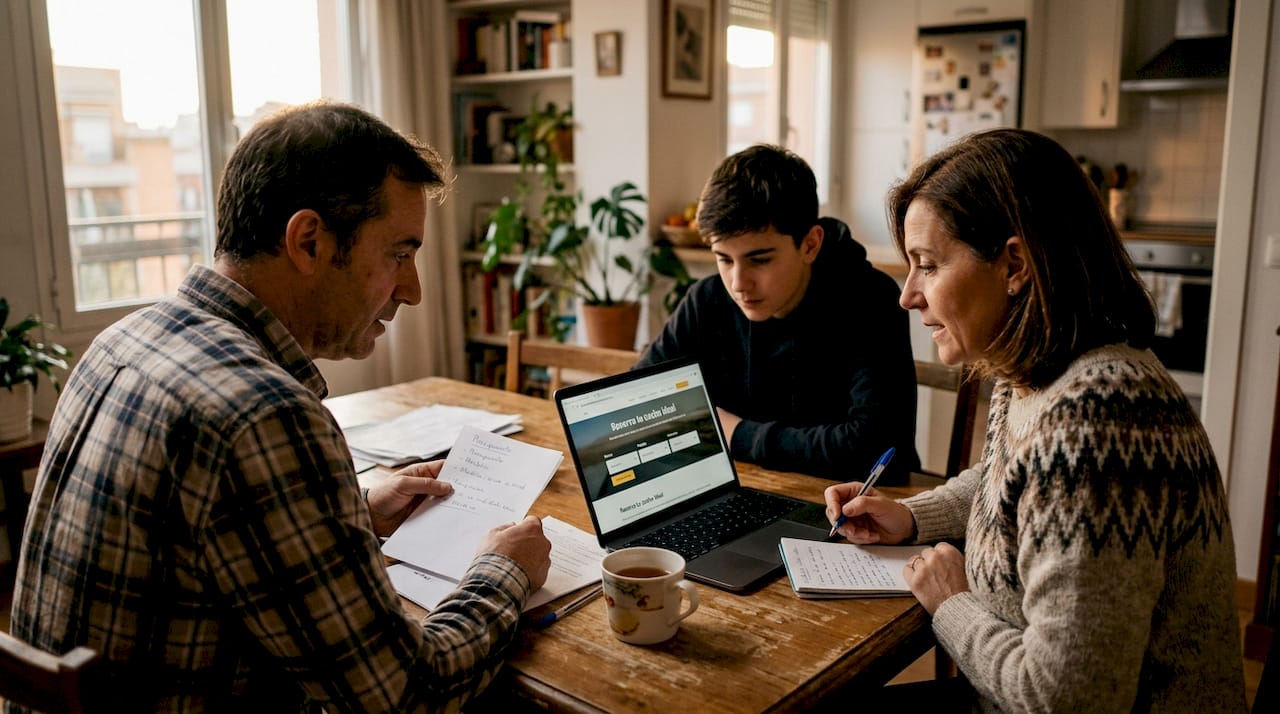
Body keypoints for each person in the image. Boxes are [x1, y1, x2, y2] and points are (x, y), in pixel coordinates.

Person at [8, 102, 552, 712]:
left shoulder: (122, 341)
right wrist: (503, 570)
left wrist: (356, 512)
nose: (414, 290)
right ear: (309, 241)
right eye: (399, 254)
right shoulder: (264, 415)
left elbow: (194, 535)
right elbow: (404, 697)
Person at [825, 128, 1245, 711]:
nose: (909, 295)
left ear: (1014, 264)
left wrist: (951, 603)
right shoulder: (1036, 370)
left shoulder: (1098, 423)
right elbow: (1010, 481)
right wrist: (912, 516)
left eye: (928, 265)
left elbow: (1067, 699)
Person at [636, 144, 920, 483]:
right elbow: (639, 399)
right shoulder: (707, 299)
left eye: (759, 260)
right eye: (724, 259)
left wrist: (737, 434)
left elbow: (880, 450)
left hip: (846, 501)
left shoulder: (870, 300)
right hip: (742, 487)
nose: (738, 283)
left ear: (810, 244)